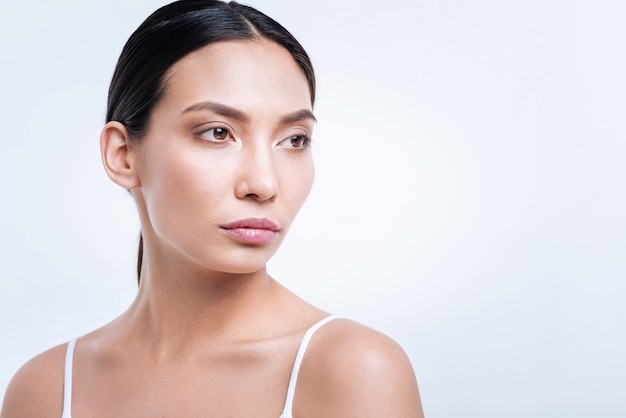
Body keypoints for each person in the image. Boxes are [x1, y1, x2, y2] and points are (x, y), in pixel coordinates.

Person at [0, 1, 424, 416]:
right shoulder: (45, 389)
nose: (263, 183)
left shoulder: (354, 371)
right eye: (218, 132)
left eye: (294, 139)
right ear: (123, 154)